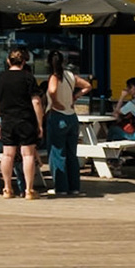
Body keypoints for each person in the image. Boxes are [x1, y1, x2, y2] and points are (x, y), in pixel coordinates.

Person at [0, 46, 44, 201]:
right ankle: (29, 190)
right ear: (24, 61)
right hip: (26, 120)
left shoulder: (0, 78)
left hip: (7, 120)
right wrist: (39, 124)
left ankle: (7, 188)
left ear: (8, 61)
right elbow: (37, 101)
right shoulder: (28, 77)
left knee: (7, 155)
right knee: (28, 155)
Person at [41, 50, 86, 195]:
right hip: (71, 116)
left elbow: (52, 90)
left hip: (58, 116)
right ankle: (74, 187)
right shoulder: (70, 75)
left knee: (57, 153)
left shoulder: (54, 77)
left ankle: (61, 187)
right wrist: (75, 97)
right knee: (72, 154)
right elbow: (87, 85)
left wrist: (54, 102)